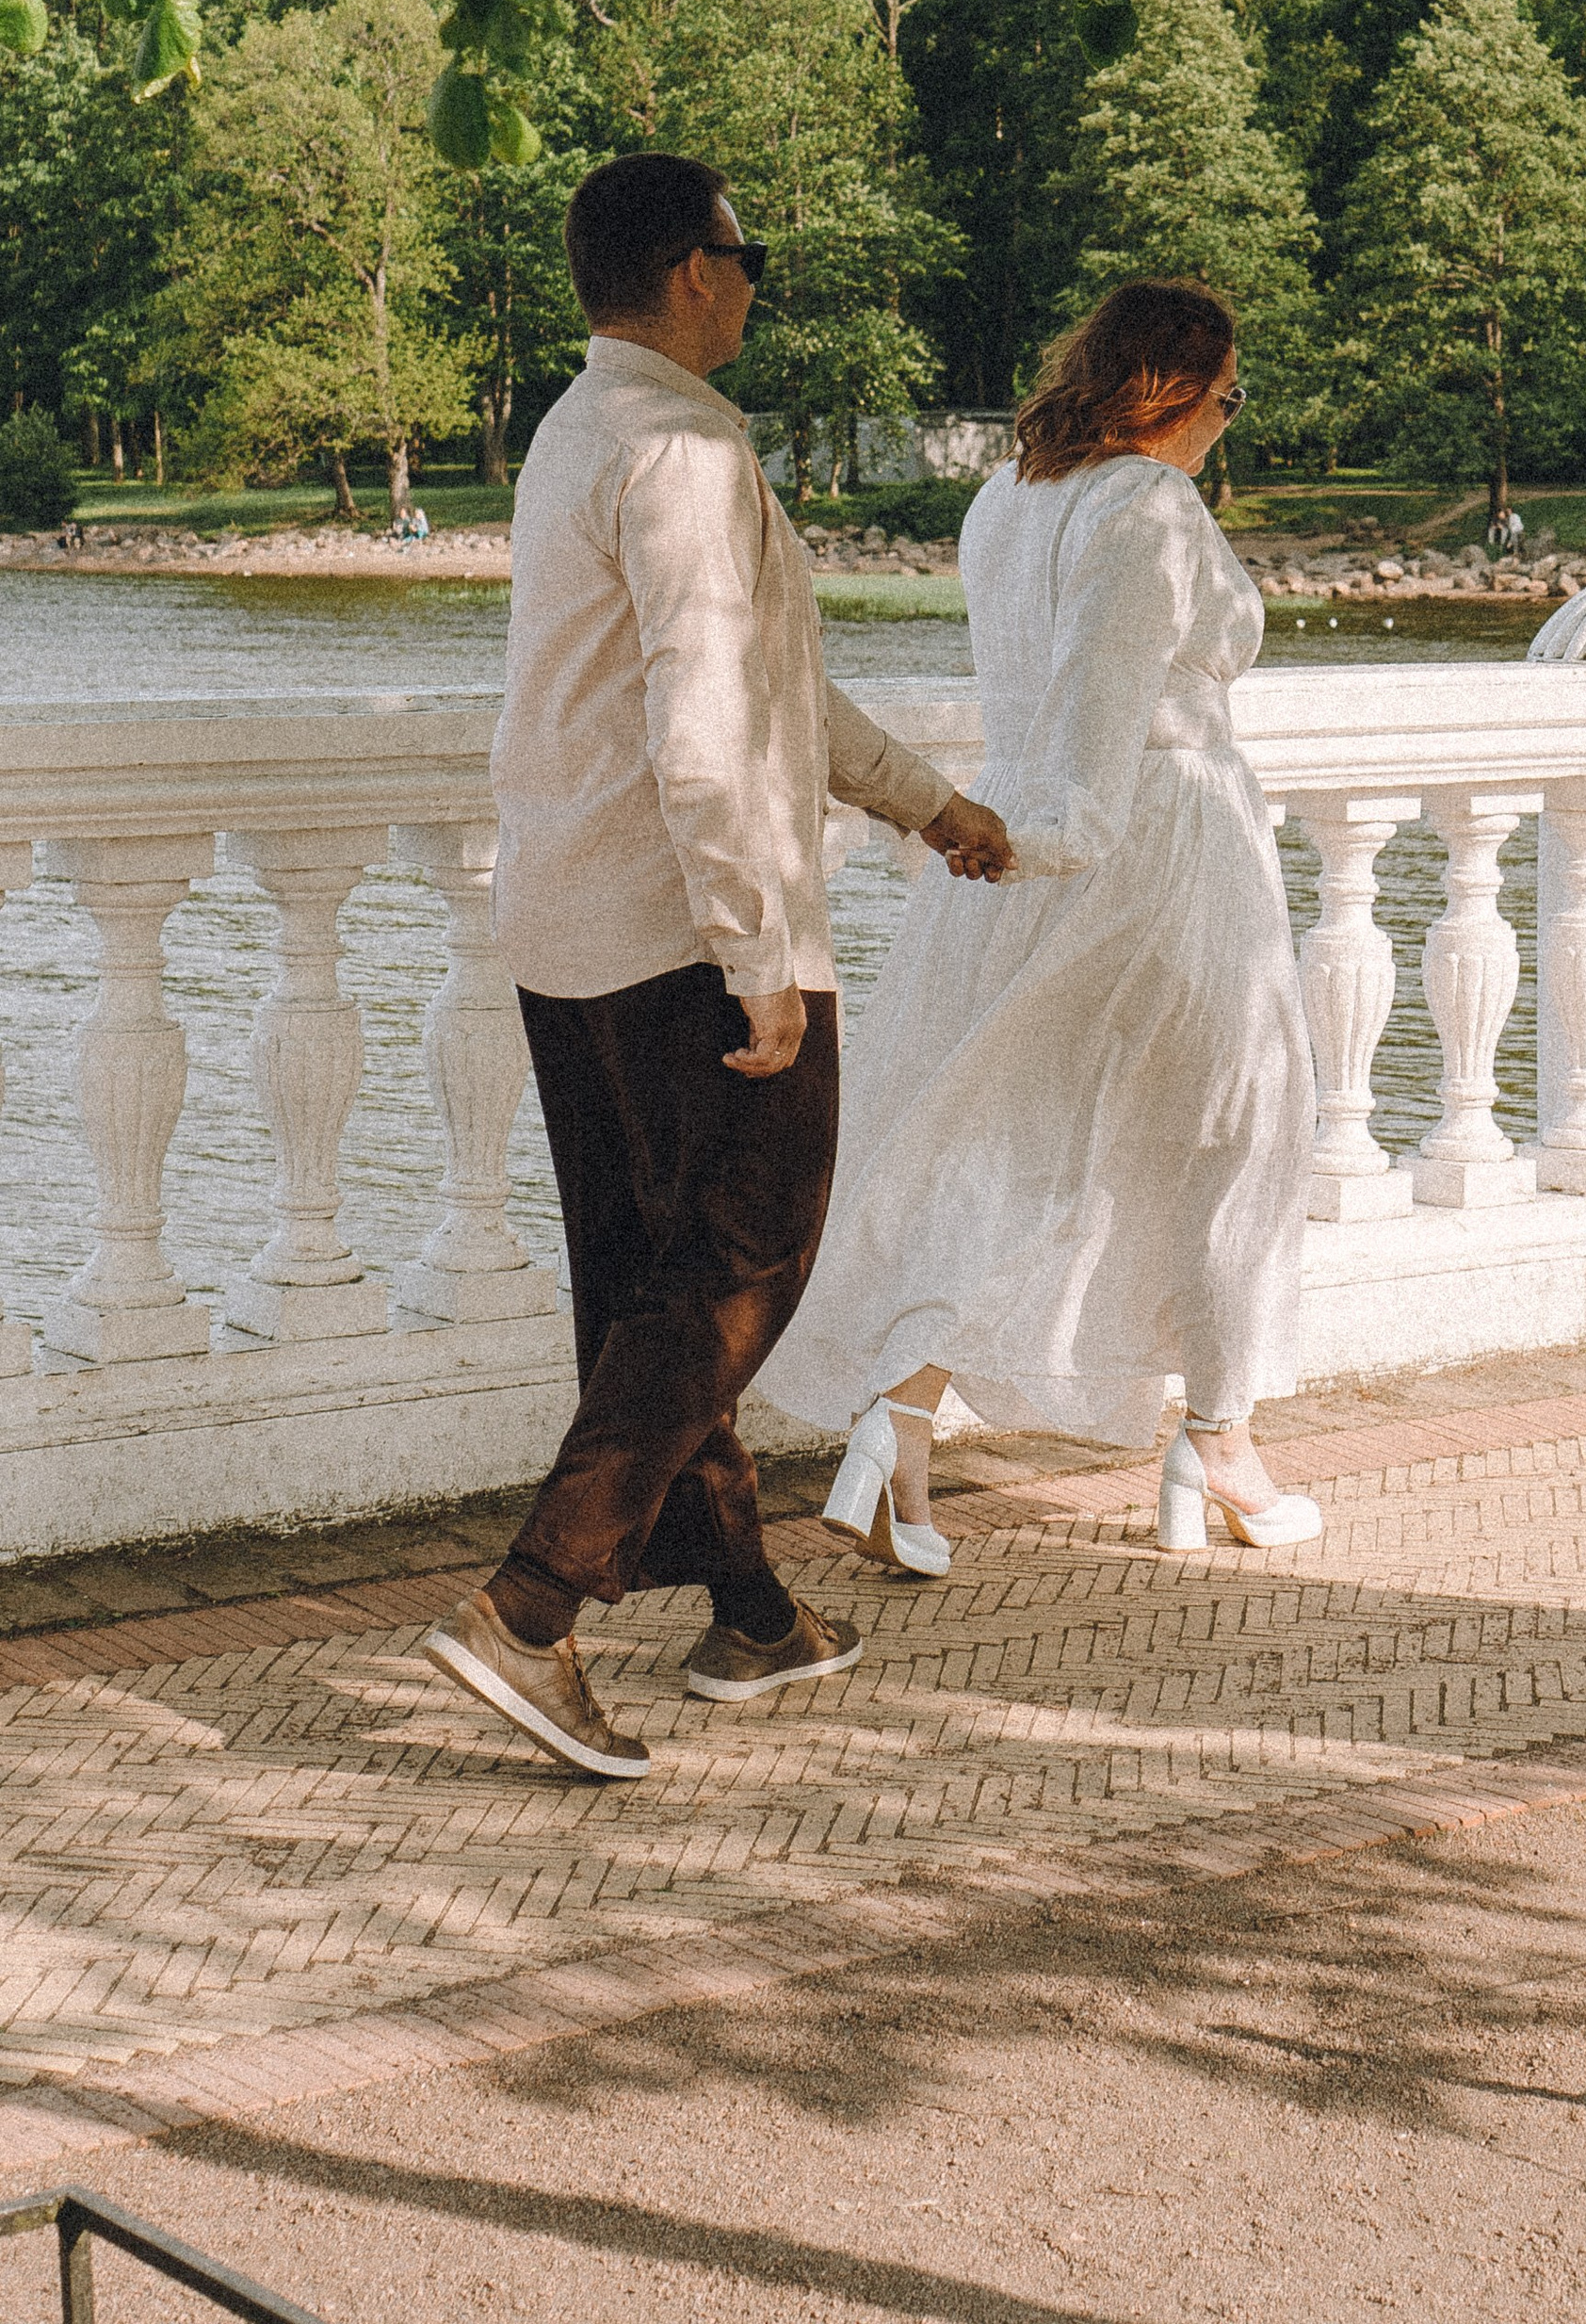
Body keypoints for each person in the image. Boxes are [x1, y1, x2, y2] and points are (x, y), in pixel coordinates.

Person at [423, 154, 1013, 1781]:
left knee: (655, 1284)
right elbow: (704, 728)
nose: (756, 283)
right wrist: (760, 953)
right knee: (745, 1266)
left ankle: (750, 1611)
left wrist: (929, 806)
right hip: (688, 937)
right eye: (749, 257)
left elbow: (770, 693)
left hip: (571, 928)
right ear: (694, 268)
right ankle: (529, 1611)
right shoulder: (684, 447)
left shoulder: (577, 428)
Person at [754, 276, 1322, 1568]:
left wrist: (1008, 839)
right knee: (1234, 1134)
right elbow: (1103, 709)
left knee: (1002, 1133)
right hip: (1139, 846)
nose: (1227, 421)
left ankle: (901, 1418)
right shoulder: (1150, 507)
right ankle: (1219, 1442)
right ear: (1174, 389)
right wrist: (1049, 850)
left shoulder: (1005, 497)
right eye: (1227, 396)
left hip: (1013, 830)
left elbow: (1054, 693)